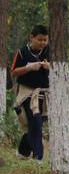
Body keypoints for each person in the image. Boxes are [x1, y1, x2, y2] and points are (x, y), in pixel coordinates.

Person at [10, 25, 50, 162]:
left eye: (45, 40)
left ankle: (22, 152)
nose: (43, 43)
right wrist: (28, 68)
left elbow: (58, 67)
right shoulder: (22, 53)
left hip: (44, 94)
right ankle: (38, 157)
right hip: (27, 93)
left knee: (35, 125)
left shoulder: (49, 51)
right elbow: (14, 72)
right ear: (31, 38)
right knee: (36, 123)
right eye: (40, 40)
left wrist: (49, 66)